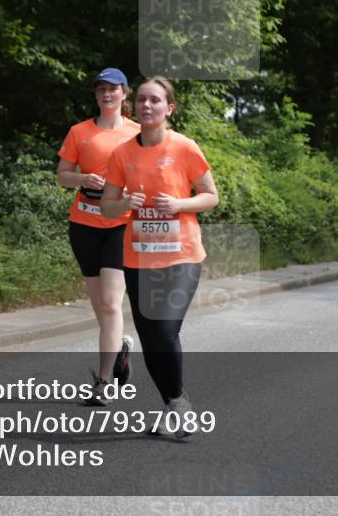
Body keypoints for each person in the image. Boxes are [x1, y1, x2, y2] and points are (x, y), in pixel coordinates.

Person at [101, 76, 219, 439]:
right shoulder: (122, 153)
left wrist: (180, 204)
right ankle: (174, 402)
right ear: (133, 106)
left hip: (182, 256)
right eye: (141, 100)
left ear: (170, 108)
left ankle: (179, 406)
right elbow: (106, 208)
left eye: (155, 100)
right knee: (150, 337)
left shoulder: (184, 147)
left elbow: (211, 196)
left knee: (166, 330)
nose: (146, 106)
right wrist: (124, 204)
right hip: (138, 259)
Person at [56, 68, 140, 405]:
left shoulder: (137, 133)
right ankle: (119, 345)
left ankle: (104, 382)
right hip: (84, 225)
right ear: (96, 95)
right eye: (101, 90)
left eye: (113, 89)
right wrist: (82, 179)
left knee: (109, 303)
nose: (107, 95)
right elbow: (62, 176)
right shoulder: (80, 132)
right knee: (101, 306)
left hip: (122, 225)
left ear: (124, 94)